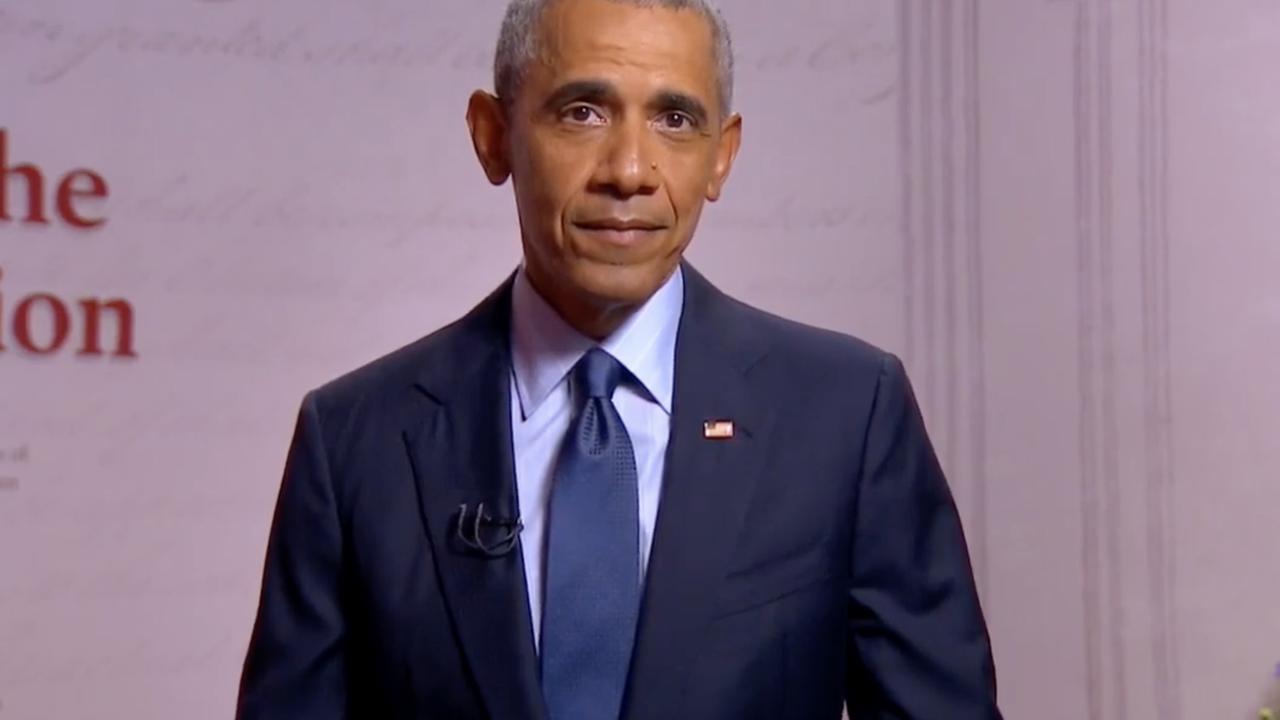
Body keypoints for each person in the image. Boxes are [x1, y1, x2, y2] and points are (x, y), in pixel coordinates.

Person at [236, 0, 1002, 717]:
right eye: (583, 112)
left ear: (721, 158)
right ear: (493, 136)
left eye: (674, 119)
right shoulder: (355, 441)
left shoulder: (847, 416)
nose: (629, 170)